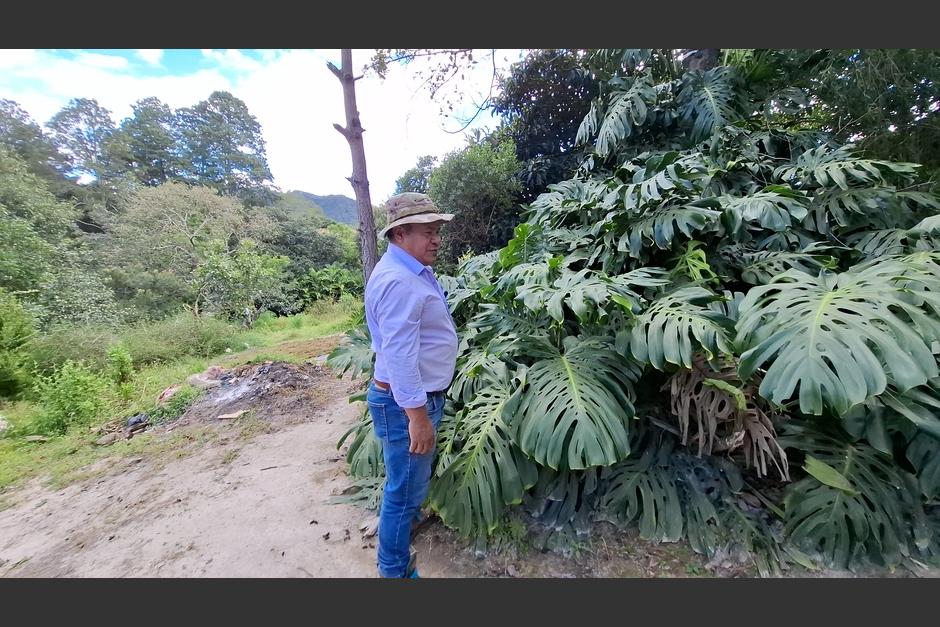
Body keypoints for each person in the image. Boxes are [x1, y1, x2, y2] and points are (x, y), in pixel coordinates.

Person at [364, 192, 458, 578]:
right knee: (403, 497)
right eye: (428, 232)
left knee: (407, 492)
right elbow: (400, 356)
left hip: (412, 400)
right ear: (400, 233)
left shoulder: (411, 269)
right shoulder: (400, 281)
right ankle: (395, 573)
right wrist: (417, 417)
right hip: (406, 406)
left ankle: (396, 566)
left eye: (438, 231)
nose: (436, 239)